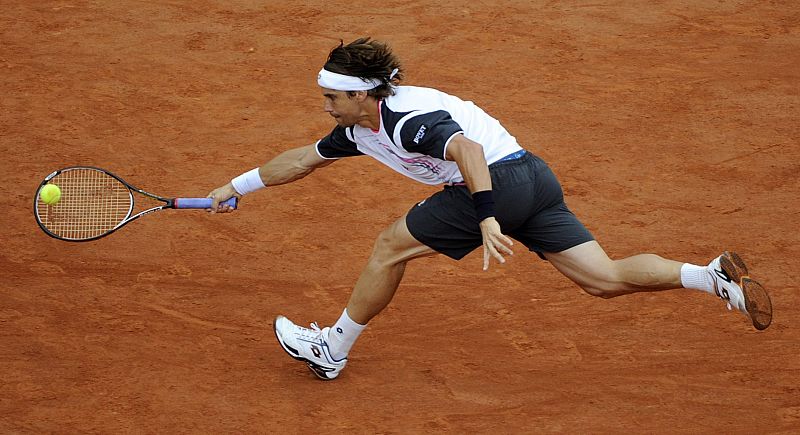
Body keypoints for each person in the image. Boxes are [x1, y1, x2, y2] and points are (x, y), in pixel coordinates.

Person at [207, 37, 772, 381]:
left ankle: (332, 349)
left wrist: (484, 213)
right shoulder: (360, 129)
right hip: (533, 176)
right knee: (604, 278)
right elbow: (302, 160)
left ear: (361, 94)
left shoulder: (408, 118)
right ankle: (710, 277)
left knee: (388, 247)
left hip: (494, 182)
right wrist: (236, 185)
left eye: (332, 98)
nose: (326, 107)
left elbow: (467, 150)